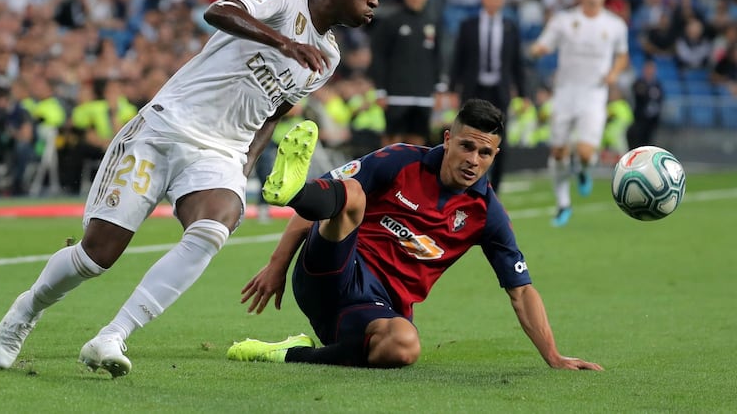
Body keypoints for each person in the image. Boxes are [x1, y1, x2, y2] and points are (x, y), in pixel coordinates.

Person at [0, 0, 386, 377]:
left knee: (214, 226)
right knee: (95, 258)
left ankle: (112, 336)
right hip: (165, 128)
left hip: (221, 150)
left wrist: (243, 169)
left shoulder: (328, 57)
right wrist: (284, 43)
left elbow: (273, 114)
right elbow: (219, 12)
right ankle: (27, 308)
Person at [227, 99, 602, 371]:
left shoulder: (487, 215)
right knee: (351, 193)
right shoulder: (399, 160)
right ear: (448, 139)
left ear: (495, 155)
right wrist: (277, 265)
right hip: (332, 269)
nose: (473, 159)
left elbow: (520, 290)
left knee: (404, 347)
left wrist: (553, 356)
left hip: (371, 312)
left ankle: (291, 353)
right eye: (467, 146)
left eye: (485, 153)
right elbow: (332, 193)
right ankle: (295, 193)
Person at [529, 0, 628, 227]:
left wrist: (615, 73)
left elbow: (622, 55)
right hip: (564, 93)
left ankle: (584, 170)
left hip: (594, 95)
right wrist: (537, 49)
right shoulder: (563, 20)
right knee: (559, 151)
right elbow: (544, 43)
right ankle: (563, 204)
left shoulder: (615, 25)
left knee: (584, 152)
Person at [450, 0, 526, 192]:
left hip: (499, 91)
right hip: (474, 89)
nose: (494, 1)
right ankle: (465, 181)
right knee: (467, 134)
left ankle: (495, 188)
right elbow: (459, 59)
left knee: (499, 138)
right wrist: (452, 89)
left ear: (502, 1)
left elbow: (516, 63)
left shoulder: (510, 27)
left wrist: (523, 93)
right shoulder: (469, 25)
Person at [369, 0, 441, 146]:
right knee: (392, 142)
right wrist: (380, 90)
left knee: (418, 142)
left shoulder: (432, 22)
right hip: (396, 95)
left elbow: (437, 58)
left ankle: (411, 174)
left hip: (424, 95)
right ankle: (387, 174)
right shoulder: (391, 22)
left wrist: (439, 88)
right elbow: (378, 56)